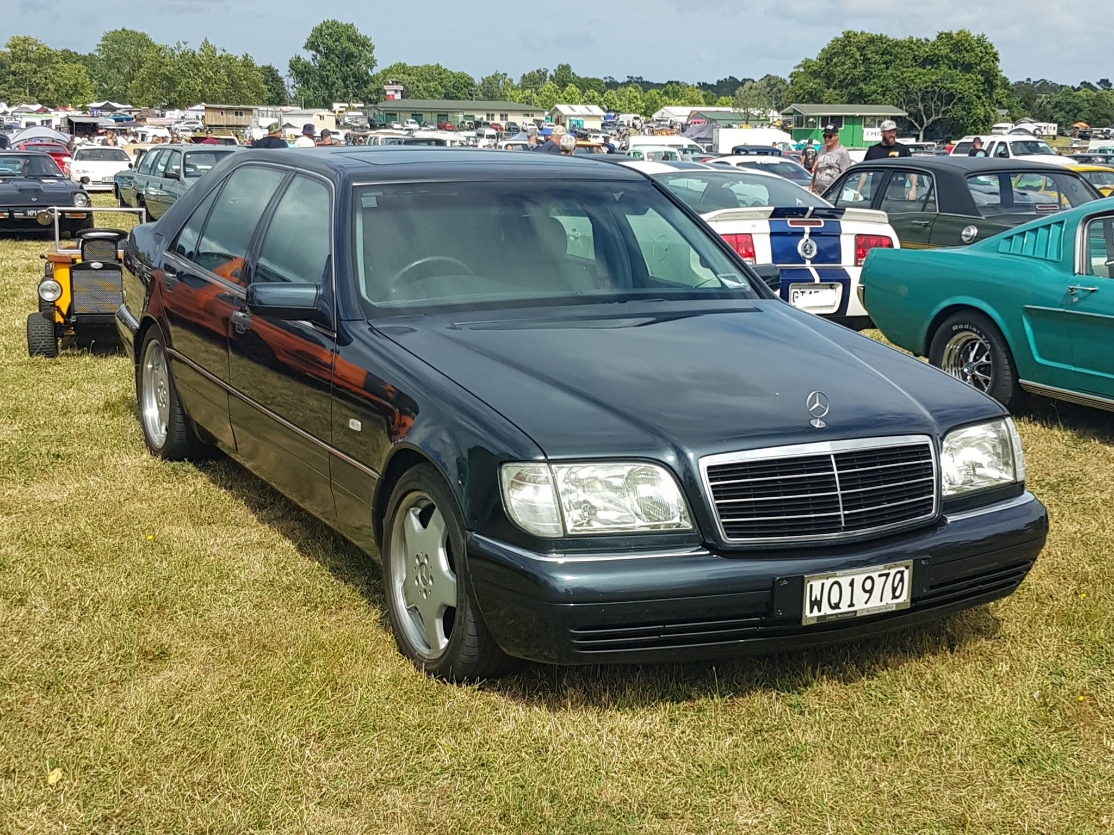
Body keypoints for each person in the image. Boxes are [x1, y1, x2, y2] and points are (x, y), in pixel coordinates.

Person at [810, 125, 852, 195]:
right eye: (825, 136)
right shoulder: (821, 149)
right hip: (817, 193)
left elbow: (846, 176)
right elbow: (817, 171)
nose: (827, 139)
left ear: (836, 136)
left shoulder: (842, 153)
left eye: (830, 136)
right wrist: (811, 188)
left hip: (832, 195)